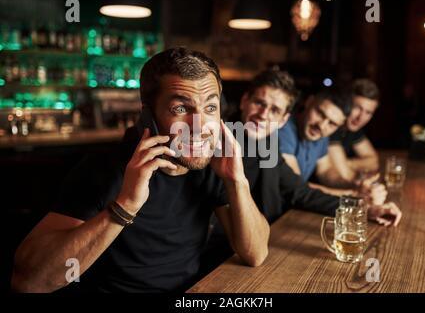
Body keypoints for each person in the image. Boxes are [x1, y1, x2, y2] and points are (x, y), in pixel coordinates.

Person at [11, 47, 269, 293]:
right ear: (148, 116)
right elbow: (28, 281)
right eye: (180, 109)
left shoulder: (208, 167)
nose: (200, 125)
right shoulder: (102, 169)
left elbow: (255, 253)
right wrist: (126, 205)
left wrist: (237, 180)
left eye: (210, 108)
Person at [201, 70, 401, 275]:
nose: (263, 114)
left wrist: (365, 209)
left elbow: (300, 192)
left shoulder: (266, 143)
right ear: (244, 101)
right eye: (259, 103)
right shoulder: (216, 141)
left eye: (274, 110)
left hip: (268, 242)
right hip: (226, 258)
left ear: (283, 119)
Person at [327, 79, 381, 185]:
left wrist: (347, 163)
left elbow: (374, 161)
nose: (361, 117)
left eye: (368, 112)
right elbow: (344, 175)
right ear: (346, 103)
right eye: (357, 107)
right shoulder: (331, 126)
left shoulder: (353, 128)